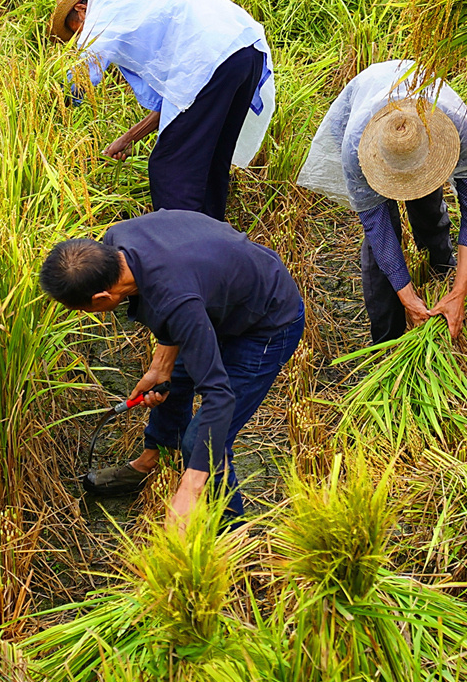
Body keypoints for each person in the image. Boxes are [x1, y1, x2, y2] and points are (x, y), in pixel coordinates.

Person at [42, 210, 305, 524]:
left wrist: (189, 489)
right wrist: (160, 366)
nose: (88, 313)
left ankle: (233, 536)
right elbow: (174, 291)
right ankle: (152, 461)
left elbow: (219, 397)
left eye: (85, 309)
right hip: (216, 295)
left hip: (267, 321)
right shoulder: (118, 240)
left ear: (102, 296)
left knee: (201, 443)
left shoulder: (176, 301)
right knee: (171, 384)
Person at [50, 0, 274, 222]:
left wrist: (57, 106)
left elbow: (85, 70)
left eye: (77, 29)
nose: (81, 36)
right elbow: (182, 97)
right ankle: (210, 246)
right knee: (210, 161)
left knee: (172, 168)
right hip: (245, 53)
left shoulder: (105, 1)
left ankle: (180, 252)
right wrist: (130, 137)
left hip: (212, 60)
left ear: (81, 9)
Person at [298, 60, 467, 343]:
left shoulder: (461, 129)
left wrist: (459, 292)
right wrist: (408, 297)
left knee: (427, 203)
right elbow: (378, 228)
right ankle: (386, 336)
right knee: (382, 235)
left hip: (423, 115)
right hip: (365, 106)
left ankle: (441, 272)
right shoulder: (356, 148)